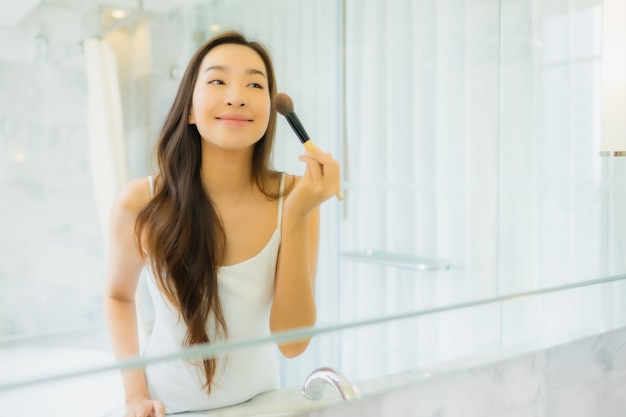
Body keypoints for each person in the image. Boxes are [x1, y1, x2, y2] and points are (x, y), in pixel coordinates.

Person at [103, 30, 341, 417]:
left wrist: (297, 215)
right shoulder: (140, 201)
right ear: (190, 110)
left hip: (261, 404)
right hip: (163, 407)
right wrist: (133, 394)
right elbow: (117, 296)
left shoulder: (296, 196)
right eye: (217, 81)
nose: (237, 95)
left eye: (254, 84)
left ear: (269, 110)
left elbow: (293, 343)